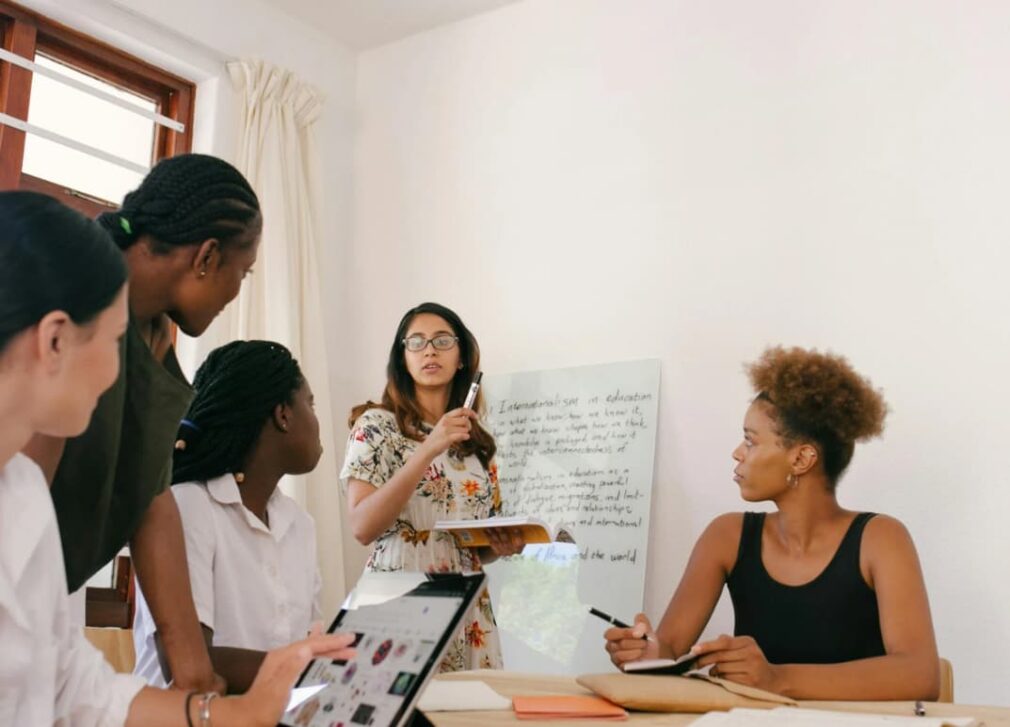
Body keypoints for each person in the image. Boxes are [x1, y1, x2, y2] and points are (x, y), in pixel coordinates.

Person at [0, 191, 354, 726]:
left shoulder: (25, 492)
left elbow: (75, 687)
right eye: (118, 341)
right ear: (54, 341)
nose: (125, 374)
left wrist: (237, 711)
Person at [22, 153, 262, 692]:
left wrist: (195, 675)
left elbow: (152, 502)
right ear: (206, 256)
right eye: (241, 273)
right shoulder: (79, 296)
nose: (236, 292)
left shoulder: (153, 336)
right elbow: (22, 500)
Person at [604, 346, 940, 701]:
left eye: (751, 440)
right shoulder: (726, 536)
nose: (737, 452)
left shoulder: (881, 539)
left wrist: (777, 678)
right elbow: (669, 648)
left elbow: (920, 676)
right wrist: (646, 654)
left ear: (801, 458)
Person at [134, 340, 324, 693]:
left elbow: (308, 641)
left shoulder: (299, 524)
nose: (316, 420)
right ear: (283, 415)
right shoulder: (189, 506)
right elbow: (185, 663)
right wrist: (312, 666)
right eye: (310, 404)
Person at [342, 302, 523, 670]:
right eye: (417, 342)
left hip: (467, 603)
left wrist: (500, 547)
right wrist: (429, 448)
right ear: (403, 359)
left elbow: (470, 544)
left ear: (461, 358)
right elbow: (362, 527)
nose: (429, 350)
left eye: (442, 341)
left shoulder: (477, 443)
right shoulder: (376, 425)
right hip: (400, 596)